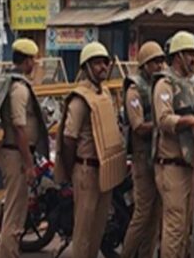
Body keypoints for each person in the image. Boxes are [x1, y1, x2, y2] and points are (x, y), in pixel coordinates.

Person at [55, 42, 127, 258]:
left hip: (104, 170)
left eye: (105, 62)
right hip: (86, 169)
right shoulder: (80, 99)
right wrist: (72, 170)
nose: (103, 67)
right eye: (97, 63)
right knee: (83, 231)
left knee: (97, 230)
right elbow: (68, 139)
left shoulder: (104, 93)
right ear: (86, 67)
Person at [0, 38, 49, 258]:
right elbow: (20, 128)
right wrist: (29, 165)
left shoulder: (10, 83)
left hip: (15, 152)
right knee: (14, 214)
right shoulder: (19, 89)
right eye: (33, 60)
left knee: (17, 211)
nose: (34, 64)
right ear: (27, 61)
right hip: (17, 155)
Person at [151, 31, 194, 257]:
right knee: (174, 227)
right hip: (171, 164)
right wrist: (189, 122)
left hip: (191, 163)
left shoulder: (191, 83)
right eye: (190, 53)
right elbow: (164, 119)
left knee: (186, 226)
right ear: (178, 56)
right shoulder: (165, 84)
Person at [120, 41, 166, 258]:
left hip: (157, 155)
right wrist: (163, 124)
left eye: (161, 61)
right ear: (145, 64)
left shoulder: (158, 85)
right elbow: (138, 126)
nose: (159, 66)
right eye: (155, 62)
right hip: (142, 157)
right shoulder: (134, 89)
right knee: (142, 213)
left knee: (156, 214)